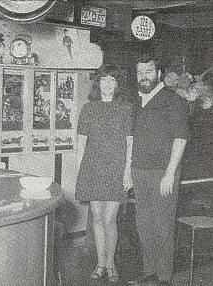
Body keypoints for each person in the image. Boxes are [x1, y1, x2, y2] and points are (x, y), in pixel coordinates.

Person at [127, 54, 190, 286]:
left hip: (163, 174)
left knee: (163, 224)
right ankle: (149, 271)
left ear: (159, 74)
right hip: (140, 171)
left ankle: (164, 278)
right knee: (144, 223)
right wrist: (129, 172)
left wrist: (170, 173)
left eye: (148, 72)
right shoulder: (137, 102)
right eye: (140, 72)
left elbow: (180, 139)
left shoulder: (174, 101)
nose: (144, 77)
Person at [76, 64, 133, 283]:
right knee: (97, 219)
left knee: (110, 219)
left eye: (112, 80)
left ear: (117, 85)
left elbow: (130, 143)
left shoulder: (126, 108)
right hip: (92, 168)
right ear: (98, 83)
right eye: (103, 80)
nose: (107, 84)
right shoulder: (88, 109)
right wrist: (80, 173)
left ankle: (111, 262)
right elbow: (81, 144)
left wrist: (127, 173)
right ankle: (100, 263)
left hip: (116, 170)